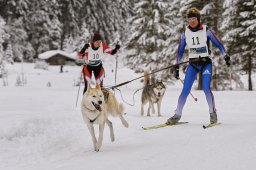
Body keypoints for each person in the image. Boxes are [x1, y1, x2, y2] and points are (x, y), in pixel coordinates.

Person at [167, 7, 230, 124]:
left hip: (206, 64)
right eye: (189, 19)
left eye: (194, 18)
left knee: (206, 88)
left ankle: (213, 113)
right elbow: (180, 51)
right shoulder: (185, 34)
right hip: (193, 64)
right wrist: (176, 65)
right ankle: (177, 114)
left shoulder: (206, 30)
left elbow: (219, 44)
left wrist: (225, 55)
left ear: (198, 19)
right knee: (185, 90)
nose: (192, 21)